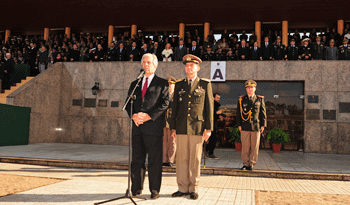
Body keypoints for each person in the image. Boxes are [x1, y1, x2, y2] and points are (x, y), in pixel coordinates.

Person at [125, 53, 169, 200]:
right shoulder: (135, 83)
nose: (146, 65)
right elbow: (128, 104)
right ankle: (136, 188)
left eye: (149, 62)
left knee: (154, 160)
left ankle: (155, 189)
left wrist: (148, 116)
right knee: (137, 159)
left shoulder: (162, 83)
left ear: (155, 65)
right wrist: (134, 116)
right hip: (137, 128)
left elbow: (165, 104)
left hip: (153, 128)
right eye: (144, 62)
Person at [170, 54, 214, 200]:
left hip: (197, 127)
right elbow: (174, 107)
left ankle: (193, 188)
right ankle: (182, 188)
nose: (189, 68)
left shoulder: (205, 84)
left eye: (192, 66)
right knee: (181, 158)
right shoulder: (179, 84)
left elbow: (209, 108)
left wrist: (208, 128)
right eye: (187, 66)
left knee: (194, 159)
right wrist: (173, 127)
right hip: (181, 127)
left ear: (198, 68)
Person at [236, 80, 267, 171]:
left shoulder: (259, 99)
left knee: (255, 146)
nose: (250, 89)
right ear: (246, 89)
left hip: (256, 126)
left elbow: (263, 113)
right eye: (248, 88)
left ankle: (252, 164)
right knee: (245, 146)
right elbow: (238, 113)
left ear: (255, 88)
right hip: (245, 126)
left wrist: (263, 125)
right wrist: (239, 125)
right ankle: (245, 164)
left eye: (252, 87)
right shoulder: (242, 99)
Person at [206, 93, 225, 159]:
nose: (218, 99)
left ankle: (208, 152)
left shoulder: (216, 105)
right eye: (217, 97)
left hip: (213, 123)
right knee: (213, 139)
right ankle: (209, 153)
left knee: (212, 139)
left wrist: (219, 115)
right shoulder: (211, 104)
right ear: (213, 98)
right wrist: (217, 113)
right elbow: (209, 113)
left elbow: (214, 115)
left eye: (219, 98)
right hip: (210, 124)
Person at [163, 76, 176, 167]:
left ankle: (171, 160)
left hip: (173, 122)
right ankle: (164, 160)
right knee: (164, 141)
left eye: (171, 84)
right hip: (163, 121)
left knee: (172, 142)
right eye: (168, 84)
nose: (170, 86)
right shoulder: (163, 94)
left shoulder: (177, 95)